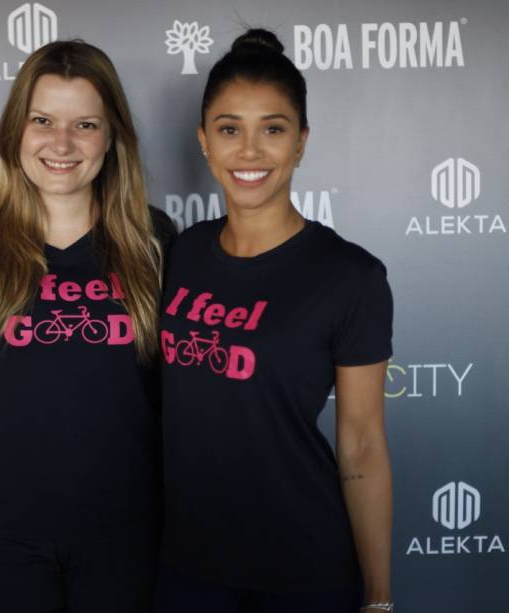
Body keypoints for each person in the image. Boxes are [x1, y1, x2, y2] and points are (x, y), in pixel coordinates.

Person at [0, 40, 175, 613]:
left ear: (112, 137)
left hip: (129, 536)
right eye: (42, 121)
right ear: (16, 131)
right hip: (0, 542)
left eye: (85, 124)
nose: (62, 144)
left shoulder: (155, 242)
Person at [156, 29, 394, 613]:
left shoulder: (350, 276)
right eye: (229, 128)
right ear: (205, 142)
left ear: (301, 142)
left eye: (274, 128)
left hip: (303, 568)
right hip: (185, 569)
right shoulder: (177, 255)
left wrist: (380, 599)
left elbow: (361, 444)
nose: (250, 151)